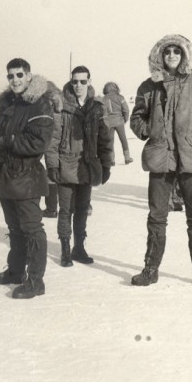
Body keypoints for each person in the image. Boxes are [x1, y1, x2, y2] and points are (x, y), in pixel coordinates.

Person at [129, 34, 192, 289]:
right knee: (156, 216)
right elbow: (136, 118)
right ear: (160, 55)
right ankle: (150, 269)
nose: (172, 55)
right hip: (161, 158)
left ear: (184, 55)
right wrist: (148, 129)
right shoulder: (148, 86)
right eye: (167, 51)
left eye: (177, 51)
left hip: (191, 156)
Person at [0, 58, 60, 299]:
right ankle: (15, 271)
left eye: (19, 75)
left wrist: (9, 141)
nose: (15, 80)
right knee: (14, 228)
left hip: (26, 177)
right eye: (11, 76)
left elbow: (39, 142)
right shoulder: (8, 103)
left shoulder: (39, 104)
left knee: (32, 229)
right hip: (5, 176)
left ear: (29, 76)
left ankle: (35, 281)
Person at [46, 66, 113, 267]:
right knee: (65, 209)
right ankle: (65, 250)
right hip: (66, 164)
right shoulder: (61, 105)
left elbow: (105, 139)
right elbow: (53, 138)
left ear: (89, 82)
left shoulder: (97, 107)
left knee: (82, 209)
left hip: (87, 166)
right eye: (75, 81)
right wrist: (53, 165)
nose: (78, 85)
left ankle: (79, 248)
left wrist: (106, 164)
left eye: (83, 81)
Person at [102, 81, 133, 165]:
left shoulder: (103, 99)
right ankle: (127, 158)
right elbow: (126, 109)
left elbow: (102, 112)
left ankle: (111, 160)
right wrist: (125, 119)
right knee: (123, 139)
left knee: (110, 142)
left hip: (108, 123)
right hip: (119, 121)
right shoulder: (120, 97)